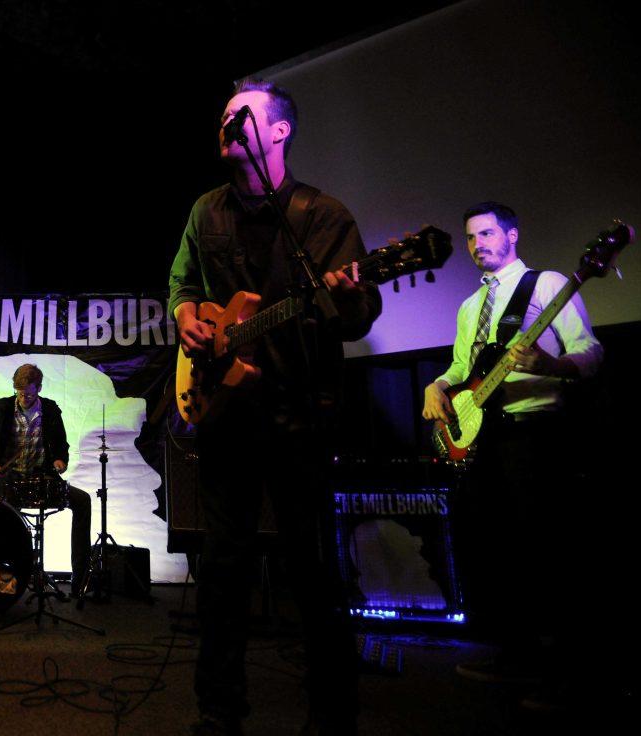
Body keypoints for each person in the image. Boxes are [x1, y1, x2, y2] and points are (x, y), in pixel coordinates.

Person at [169, 77, 382, 736]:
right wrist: (185, 317)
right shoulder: (205, 211)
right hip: (227, 412)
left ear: (280, 131)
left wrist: (348, 295)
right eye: (224, 114)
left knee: (313, 568)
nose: (226, 122)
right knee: (224, 567)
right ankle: (218, 708)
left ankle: (333, 713)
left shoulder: (322, 216)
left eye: (243, 114)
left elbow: (356, 317)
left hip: (298, 411)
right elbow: (181, 282)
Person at [422, 201, 602, 708]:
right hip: (487, 441)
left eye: (486, 234)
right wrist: (437, 385)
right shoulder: (467, 307)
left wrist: (549, 364)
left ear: (513, 235)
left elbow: (590, 352)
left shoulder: (546, 287)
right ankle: (517, 656)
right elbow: (462, 368)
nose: (477, 245)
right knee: (498, 552)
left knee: (549, 553)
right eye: (471, 238)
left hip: (536, 435)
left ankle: (571, 676)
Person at [0, 363, 93, 594]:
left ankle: (80, 582)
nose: (24, 397)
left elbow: (62, 446)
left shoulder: (50, 411)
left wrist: (59, 460)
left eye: (29, 393)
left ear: (40, 388)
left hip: (41, 479)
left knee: (82, 501)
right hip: (6, 480)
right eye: (20, 393)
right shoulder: (2, 410)